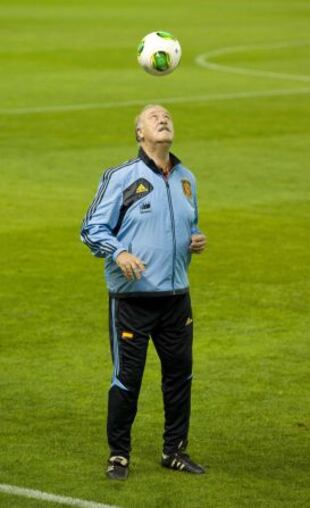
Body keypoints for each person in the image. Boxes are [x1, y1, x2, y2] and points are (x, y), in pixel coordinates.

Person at [80, 104, 206, 480]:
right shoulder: (122, 177)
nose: (163, 119)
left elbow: (189, 224)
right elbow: (91, 229)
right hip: (132, 302)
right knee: (127, 379)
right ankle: (119, 455)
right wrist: (118, 252)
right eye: (153, 117)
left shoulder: (187, 179)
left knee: (180, 377)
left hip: (176, 298)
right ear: (139, 133)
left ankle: (174, 450)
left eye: (167, 115)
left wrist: (193, 241)